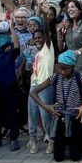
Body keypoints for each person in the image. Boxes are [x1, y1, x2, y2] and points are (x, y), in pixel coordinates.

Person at [30, 50, 82, 162]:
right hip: (60, 118)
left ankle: (78, 142)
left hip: (76, 118)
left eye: (66, 68)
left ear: (73, 66)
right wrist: (45, 106)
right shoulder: (55, 78)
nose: (62, 72)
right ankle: (67, 142)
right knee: (58, 158)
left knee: (75, 157)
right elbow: (33, 93)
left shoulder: (80, 77)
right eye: (60, 68)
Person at [0, 21, 22, 151]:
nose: (0, 36)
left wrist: (12, 29)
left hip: (9, 83)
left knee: (11, 111)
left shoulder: (11, 47)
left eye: (3, 34)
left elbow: (17, 46)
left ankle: (14, 139)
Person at [26, 26, 56, 154]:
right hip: (34, 87)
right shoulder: (37, 54)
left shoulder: (48, 48)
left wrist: (44, 15)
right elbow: (35, 72)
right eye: (35, 38)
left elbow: (47, 34)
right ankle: (32, 139)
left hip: (45, 86)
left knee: (45, 115)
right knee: (32, 114)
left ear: (45, 38)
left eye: (40, 37)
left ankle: (51, 139)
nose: (37, 40)